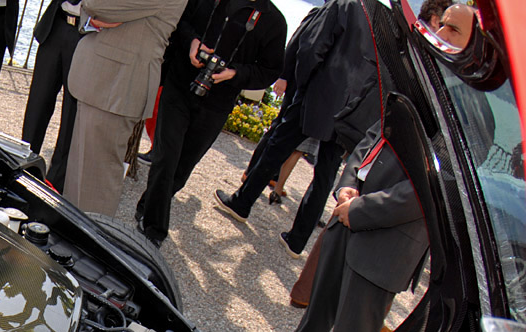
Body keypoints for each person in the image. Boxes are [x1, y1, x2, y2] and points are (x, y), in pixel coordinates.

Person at [238, 121, 429, 332]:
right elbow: (371, 139)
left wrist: (360, 210)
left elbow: (426, 189)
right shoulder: (414, 96)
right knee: (318, 308)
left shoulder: (463, 118)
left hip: (389, 243)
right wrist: (347, 185)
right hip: (347, 216)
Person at [213, 0, 383, 257]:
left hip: (319, 94)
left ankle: (242, 202)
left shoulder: (344, 4)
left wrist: (301, 86)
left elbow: (312, 47)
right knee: (326, 173)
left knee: (277, 147)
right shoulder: (382, 18)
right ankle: (297, 240)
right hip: (353, 108)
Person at [134, 0, 286, 246]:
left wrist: (235, 73)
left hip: (217, 104)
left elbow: (269, 71)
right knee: (166, 157)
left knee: (181, 170)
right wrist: (192, 42)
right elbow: (178, 21)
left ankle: (147, 204)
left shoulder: (274, 21)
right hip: (179, 86)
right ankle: (154, 231)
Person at [61, 0, 188, 217]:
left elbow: (98, 4)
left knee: (95, 187)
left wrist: (90, 10)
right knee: (79, 177)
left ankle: (90, 245)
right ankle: (70, 240)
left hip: (117, 87)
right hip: (104, 82)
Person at [21, 0, 83, 191]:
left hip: (88, 35)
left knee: (72, 115)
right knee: (37, 104)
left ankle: (54, 185)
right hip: (56, 24)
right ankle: (23, 168)